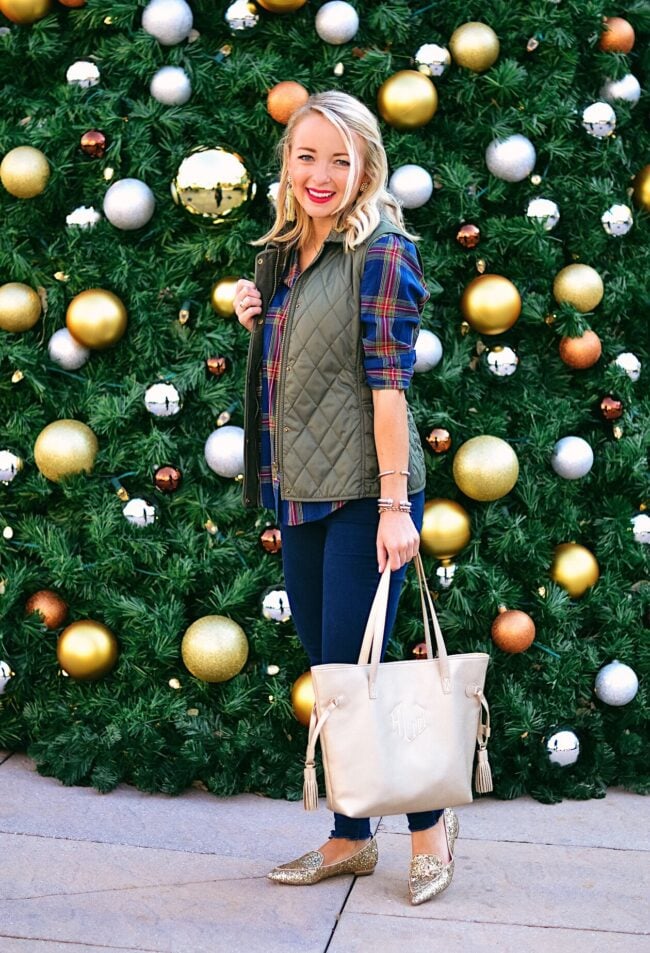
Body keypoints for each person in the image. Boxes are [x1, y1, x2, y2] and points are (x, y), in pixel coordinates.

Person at [235, 90, 457, 905]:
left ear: (366, 165)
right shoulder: (288, 252)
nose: (321, 174)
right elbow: (304, 368)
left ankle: (429, 830)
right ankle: (351, 837)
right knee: (333, 674)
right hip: (301, 492)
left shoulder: (383, 252)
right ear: (286, 164)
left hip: (367, 495)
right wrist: (254, 314)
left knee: (360, 681)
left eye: (340, 158)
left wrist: (397, 506)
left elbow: (388, 386)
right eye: (306, 157)